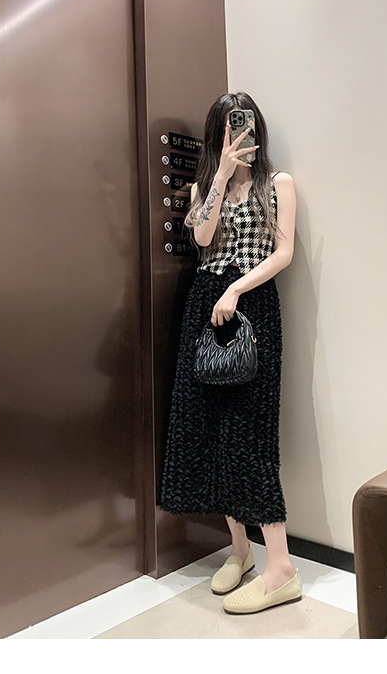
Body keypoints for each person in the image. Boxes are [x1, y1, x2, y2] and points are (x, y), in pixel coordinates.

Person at [159, 91, 300, 614]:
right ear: (216, 133)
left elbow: (283, 252)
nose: (238, 134)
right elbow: (202, 238)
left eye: (244, 125)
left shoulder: (278, 183)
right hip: (204, 305)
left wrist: (237, 289)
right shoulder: (203, 187)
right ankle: (240, 551)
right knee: (211, 431)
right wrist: (219, 174)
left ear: (256, 128)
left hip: (252, 305)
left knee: (249, 435)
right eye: (227, 127)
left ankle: (281, 567)